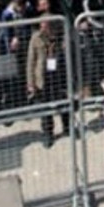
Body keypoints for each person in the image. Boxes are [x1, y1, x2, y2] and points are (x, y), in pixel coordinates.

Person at [26, 19, 69, 148]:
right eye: (42, 24)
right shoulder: (36, 38)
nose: (44, 27)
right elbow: (31, 61)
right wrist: (30, 82)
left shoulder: (59, 36)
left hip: (58, 74)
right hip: (42, 77)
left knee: (63, 103)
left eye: (47, 25)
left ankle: (67, 127)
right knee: (45, 107)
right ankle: (48, 133)